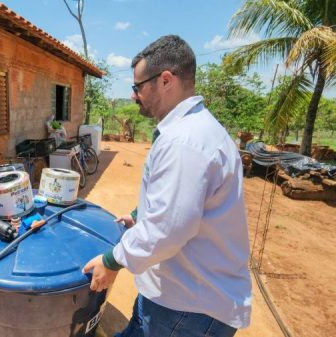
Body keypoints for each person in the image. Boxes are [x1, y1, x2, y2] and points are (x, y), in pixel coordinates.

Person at [83, 35, 252, 336]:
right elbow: (178, 202)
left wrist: (112, 261)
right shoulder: (194, 130)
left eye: (137, 87)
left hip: (189, 307)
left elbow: (167, 230)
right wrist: (139, 214)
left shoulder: (184, 142)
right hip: (176, 295)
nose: (134, 95)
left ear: (165, 80)